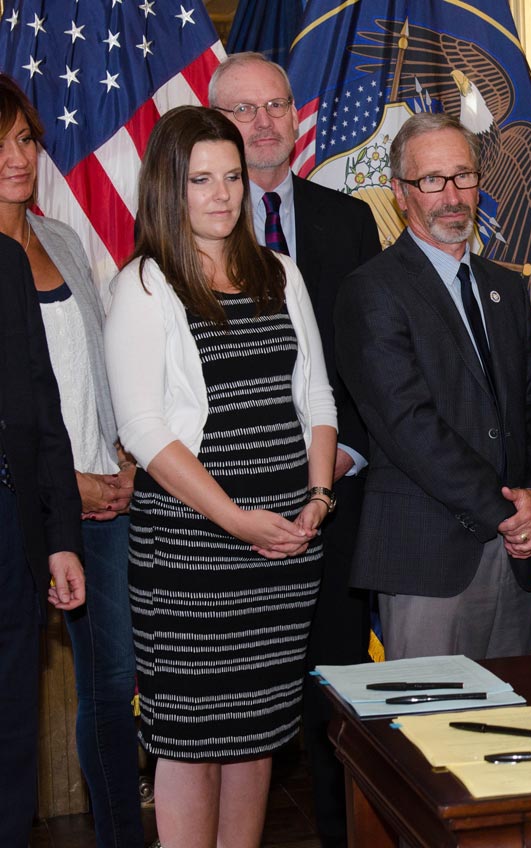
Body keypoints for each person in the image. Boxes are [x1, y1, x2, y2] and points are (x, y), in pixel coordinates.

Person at [103, 106, 337, 847]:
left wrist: (319, 497)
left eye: (232, 177)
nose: (221, 194)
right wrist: (236, 520)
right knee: (191, 741)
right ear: (168, 187)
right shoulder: (145, 283)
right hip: (191, 554)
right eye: (201, 179)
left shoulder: (281, 272)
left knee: (259, 735)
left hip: (287, 549)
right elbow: (143, 428)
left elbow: (318, 400)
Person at [208, 51, 382, 848]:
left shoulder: (345, 219)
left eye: (276, 104)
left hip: (332, 493)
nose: (266, 121)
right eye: (245, 109)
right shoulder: (193, 231)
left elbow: (369, 355)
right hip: (226, 506)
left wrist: (340, 452)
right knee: (239, 710)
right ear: (216, 125)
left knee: (335, 688)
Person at [335, 112, 531, 661]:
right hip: (428, 555)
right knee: (431, 731)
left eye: (463, 176)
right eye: (431, 180)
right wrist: (508, 510)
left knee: (517, 724)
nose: (452, 195)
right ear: (399, 193)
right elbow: (406, 424)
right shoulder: (372, 290)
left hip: (518, 551)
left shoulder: (505, 287)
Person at [0, 74, 141, 846]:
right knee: (13, 694)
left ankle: (122, 835)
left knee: (112, 684)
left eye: (24, 139)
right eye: (0, 144)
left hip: (104, 503)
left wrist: (118, 458)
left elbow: (93, 365)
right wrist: (67, 484)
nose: (17, 157)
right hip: (28, 505)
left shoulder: (59, 238)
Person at [0, 235, 86, 848]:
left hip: (10, 531)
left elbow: (40, 401)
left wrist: (60, 537)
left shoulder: (7, 262)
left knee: (9, 728)